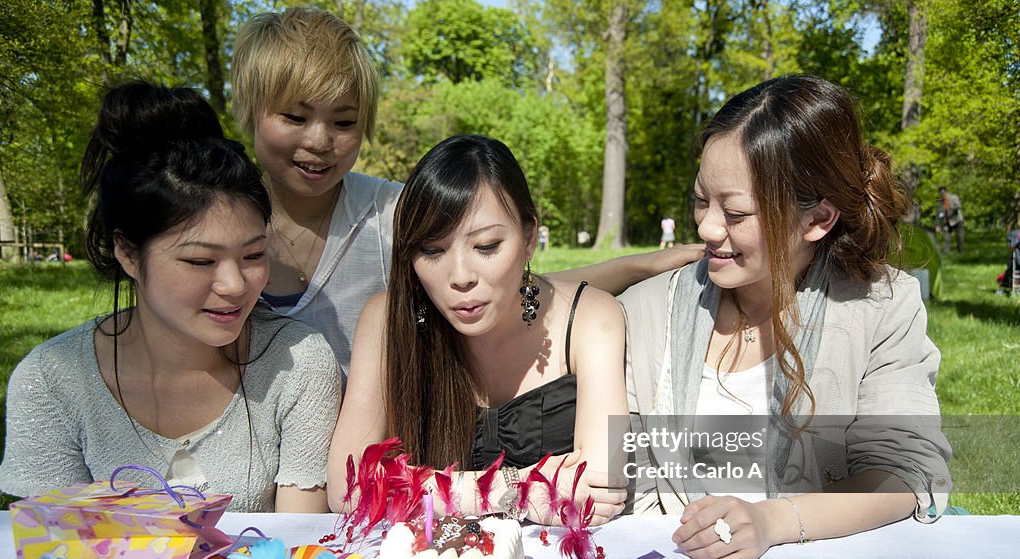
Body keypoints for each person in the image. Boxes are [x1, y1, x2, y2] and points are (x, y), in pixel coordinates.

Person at [232, 7, 703, 377]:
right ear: (250, 109)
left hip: (370, 467)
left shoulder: (394, 213)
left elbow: (514, 284)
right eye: (295, 117)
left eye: (344, 122)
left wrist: (644, 265)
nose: (319, 141)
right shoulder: (209, 214)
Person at [620, 75, 952, 559]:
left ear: (817, 219)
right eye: (700, 200)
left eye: (735, 212)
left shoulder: (881, 307)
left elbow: (904, 474)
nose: (707, 228)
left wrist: (774, 522)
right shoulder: (647, 311)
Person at [0, 82, 338, 513]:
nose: (234, 284)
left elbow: (300, 551)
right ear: (127, 252)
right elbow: (51, 558)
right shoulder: (52, 381)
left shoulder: (297, 363)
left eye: (253, 254)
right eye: (200, 261)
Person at [327, 135, 628, 525]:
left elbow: (604, 485)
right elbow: (349, 488)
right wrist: (515, 489)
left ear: (530, 238)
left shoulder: (591, 317)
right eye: (432, 251)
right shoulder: (385, 321)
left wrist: (432, 490)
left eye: (486, 246)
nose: (460, 277)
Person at [935, 186, 964, 253]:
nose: (942, 194)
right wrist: (937, 225)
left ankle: (960, 252)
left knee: (960, 237)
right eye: (940, 193)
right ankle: (946, 253)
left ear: (946, 192)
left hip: (957, 220)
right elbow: (938, 215)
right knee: (946, 238)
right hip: (947, 222)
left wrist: (950, 208)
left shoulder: (953, 197)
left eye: (943, 192)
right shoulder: (940, 203)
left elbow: (958, 206)